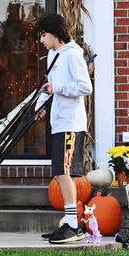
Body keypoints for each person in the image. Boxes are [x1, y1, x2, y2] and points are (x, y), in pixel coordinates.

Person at [35, 13, 92, 244]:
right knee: (59, 173)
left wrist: (56, 87)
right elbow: (49, 86)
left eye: (43, 35)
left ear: (55, 34)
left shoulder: (72, 55)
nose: (41, 40)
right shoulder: (53, 55)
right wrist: (40, 106)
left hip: (70, 123)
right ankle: (69, 223)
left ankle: (72, 226)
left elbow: (84, 86)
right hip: (58, 122)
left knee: (64, 173)